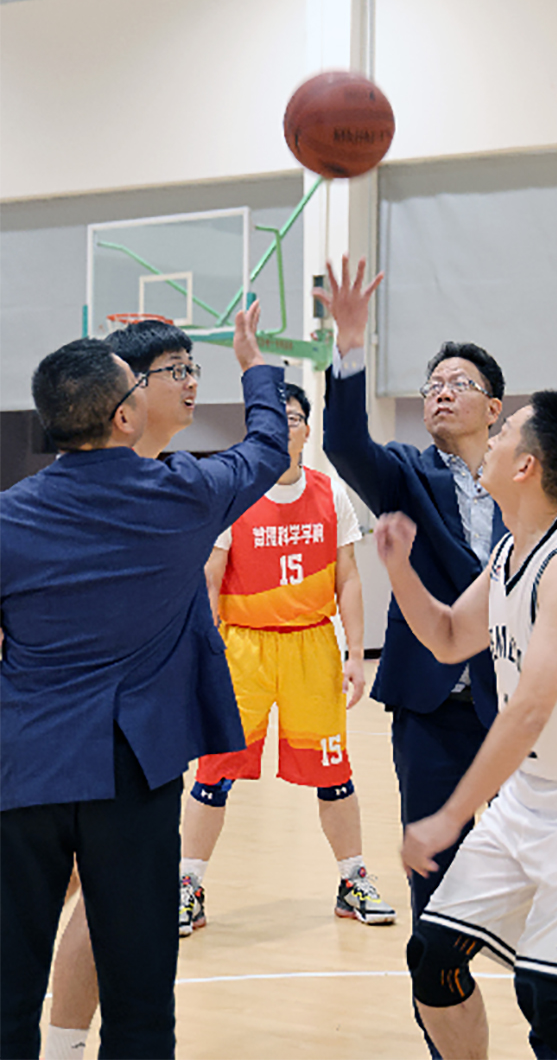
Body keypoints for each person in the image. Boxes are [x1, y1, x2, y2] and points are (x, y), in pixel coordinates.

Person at [0, 303, 289, 1060]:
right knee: (140, 1009)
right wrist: (255, 365)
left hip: (24, 772)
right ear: (125, 416)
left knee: (6, 997)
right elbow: (268, 447)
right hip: (134, 773)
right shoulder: (182, 494)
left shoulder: (8, 518)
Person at [375, 391, 557, 1060]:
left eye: (504, 432)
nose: (494, 439)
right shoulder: (510, 552)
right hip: (531, 796)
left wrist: (450, 817)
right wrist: (397, 568)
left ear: (527, 465)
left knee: (551, 1001)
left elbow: (530, 709)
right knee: (434, 957)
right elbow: (449, 636)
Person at [316, 257, 506, 929]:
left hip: (515, 703)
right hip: (431, 707)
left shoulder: (526, 481)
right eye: (433, 385)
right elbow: (343, 442)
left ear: (495, 408)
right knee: (435, 875)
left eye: (459, 384)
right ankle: (441, 987)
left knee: (528, 867)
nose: (441, 394)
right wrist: (349, 344)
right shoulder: (404, 473)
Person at [180, 382, 395, 932]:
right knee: (214, 773)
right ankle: (188, 885)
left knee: (334, 772)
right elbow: (209, 579)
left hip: (311, 646)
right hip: (243, 649)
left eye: (293, 418)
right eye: (273, 419)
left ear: (306, 429)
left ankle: (353, 880)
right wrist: (203, 652)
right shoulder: (234, 493)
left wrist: (355, 653)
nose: (284, 427)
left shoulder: (331, 494)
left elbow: (348, 577)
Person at [44, 319, 203, 1060]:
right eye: (175, 369)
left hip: (144, 730)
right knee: (76, 892)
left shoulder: (171, 479)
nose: (191, 382)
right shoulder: (84, 490)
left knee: (100, 897)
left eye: (194, 366)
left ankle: (65, 1045)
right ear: (128, 395)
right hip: (74, 736)